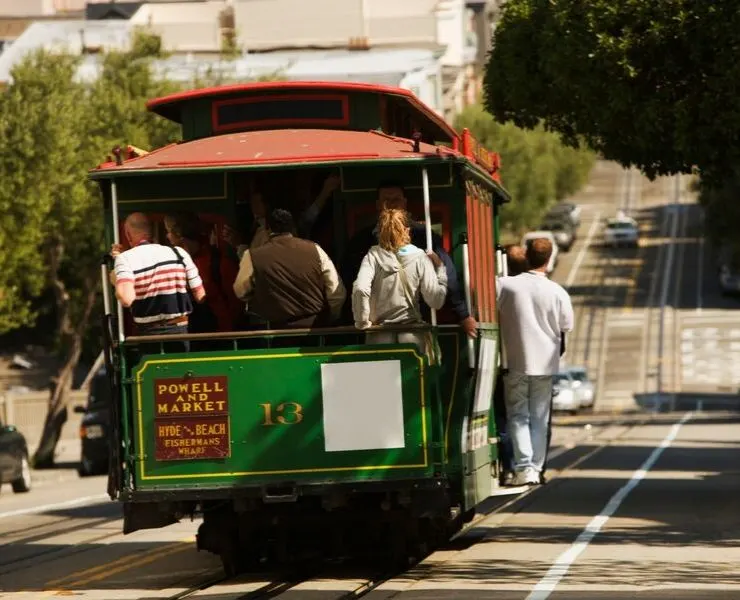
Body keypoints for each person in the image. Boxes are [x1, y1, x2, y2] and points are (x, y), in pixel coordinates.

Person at [341, 181, 476, 338]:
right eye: (386, 200)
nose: (391, 204)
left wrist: (462, 314)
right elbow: (349, 278)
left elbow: (360, 288)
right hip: (409, 330)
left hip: (381, 331)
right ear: (378, 204)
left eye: (396, 199)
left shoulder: (424, 238)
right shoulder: (361, 241)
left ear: (404, 203)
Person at [496, 238, 573, 486]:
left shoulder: (506, 285)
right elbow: (566, 326)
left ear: (527, 255)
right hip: (546, 364)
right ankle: (536, 468)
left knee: (518, 416)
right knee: (540, 417)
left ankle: (523, 468)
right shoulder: (557, 292)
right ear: (549, 260)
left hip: (516, 361)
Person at [352, 209, 447, 353]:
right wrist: (440, 270)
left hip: (379, 337)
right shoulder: (420, 257)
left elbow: (360, 288)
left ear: (380, 231)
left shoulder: (373, 256)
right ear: (407, 230)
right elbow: (435, 300)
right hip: (411, 336)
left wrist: (362, 321)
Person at [233, 208, 346, 329]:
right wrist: (330, 317)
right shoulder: (315, 250)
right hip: (314, 329)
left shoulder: (251, 256)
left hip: (274, 330)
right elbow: (337, 293)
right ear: (292, 228)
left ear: (268, 229)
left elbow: (241, 291)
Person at [110, 212, 205, 336]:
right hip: (180, 331)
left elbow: (126, 299)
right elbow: (200, 296)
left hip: (148, 334)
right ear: (151, 232)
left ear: (128, 235)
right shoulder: (179, 253)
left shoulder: (124, 259)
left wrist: (116, 277)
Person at [224, 173, 341, 259]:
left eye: (255, 198)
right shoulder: (257, 225)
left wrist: (325, 193)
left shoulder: (273, 228)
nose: (251, 202)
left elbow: (254, 270)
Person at [163, 212, 242, 333]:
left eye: (168, 231)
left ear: (178, 235)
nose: (167, 236)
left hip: (218, 334)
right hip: (186, 333)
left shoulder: (219, 262)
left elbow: (235, 302)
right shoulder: (172, 263)